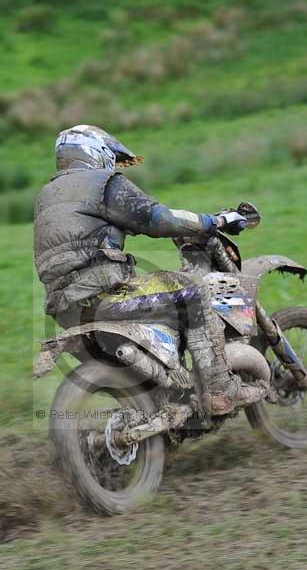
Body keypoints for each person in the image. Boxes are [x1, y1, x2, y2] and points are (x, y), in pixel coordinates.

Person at [34, 124, 267, 416]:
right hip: (106, 299)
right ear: (97, 153)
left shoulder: (48, 196)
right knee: (193, 290)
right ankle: (219, 389)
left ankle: (165, 400)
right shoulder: (100, 183)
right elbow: (157, 218)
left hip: (67, 310)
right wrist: (214, 222)